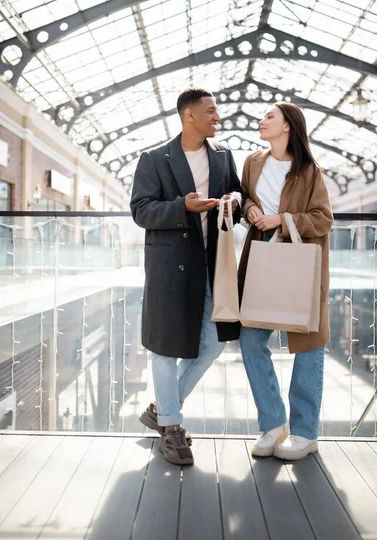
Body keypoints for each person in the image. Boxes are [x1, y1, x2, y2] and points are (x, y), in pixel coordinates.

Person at [130, 88, 242, 466]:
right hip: (170, 266)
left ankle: (162, 409)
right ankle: (172, 429)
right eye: (211, 111)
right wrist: (183, 207)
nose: (218, 117)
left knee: (213, 342)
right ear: (189, 115)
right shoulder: (153, 158)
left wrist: (233, 203)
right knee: (164, 347)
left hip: (213, 264)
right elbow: (141, 211)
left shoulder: (224, 156)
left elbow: (237, 194)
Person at [237, 102, 333, 461]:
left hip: (300, 262)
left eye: (269, 117)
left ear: (288, 126)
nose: (261, 121)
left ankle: (306, 433)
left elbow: (324, 219)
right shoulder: (253, 162)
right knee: (250, 337)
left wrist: (283, 218)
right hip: (261, 257)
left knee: (309, 344)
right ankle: (274, 423)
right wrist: (251, 210)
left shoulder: (310, 171)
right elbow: (245, 195)